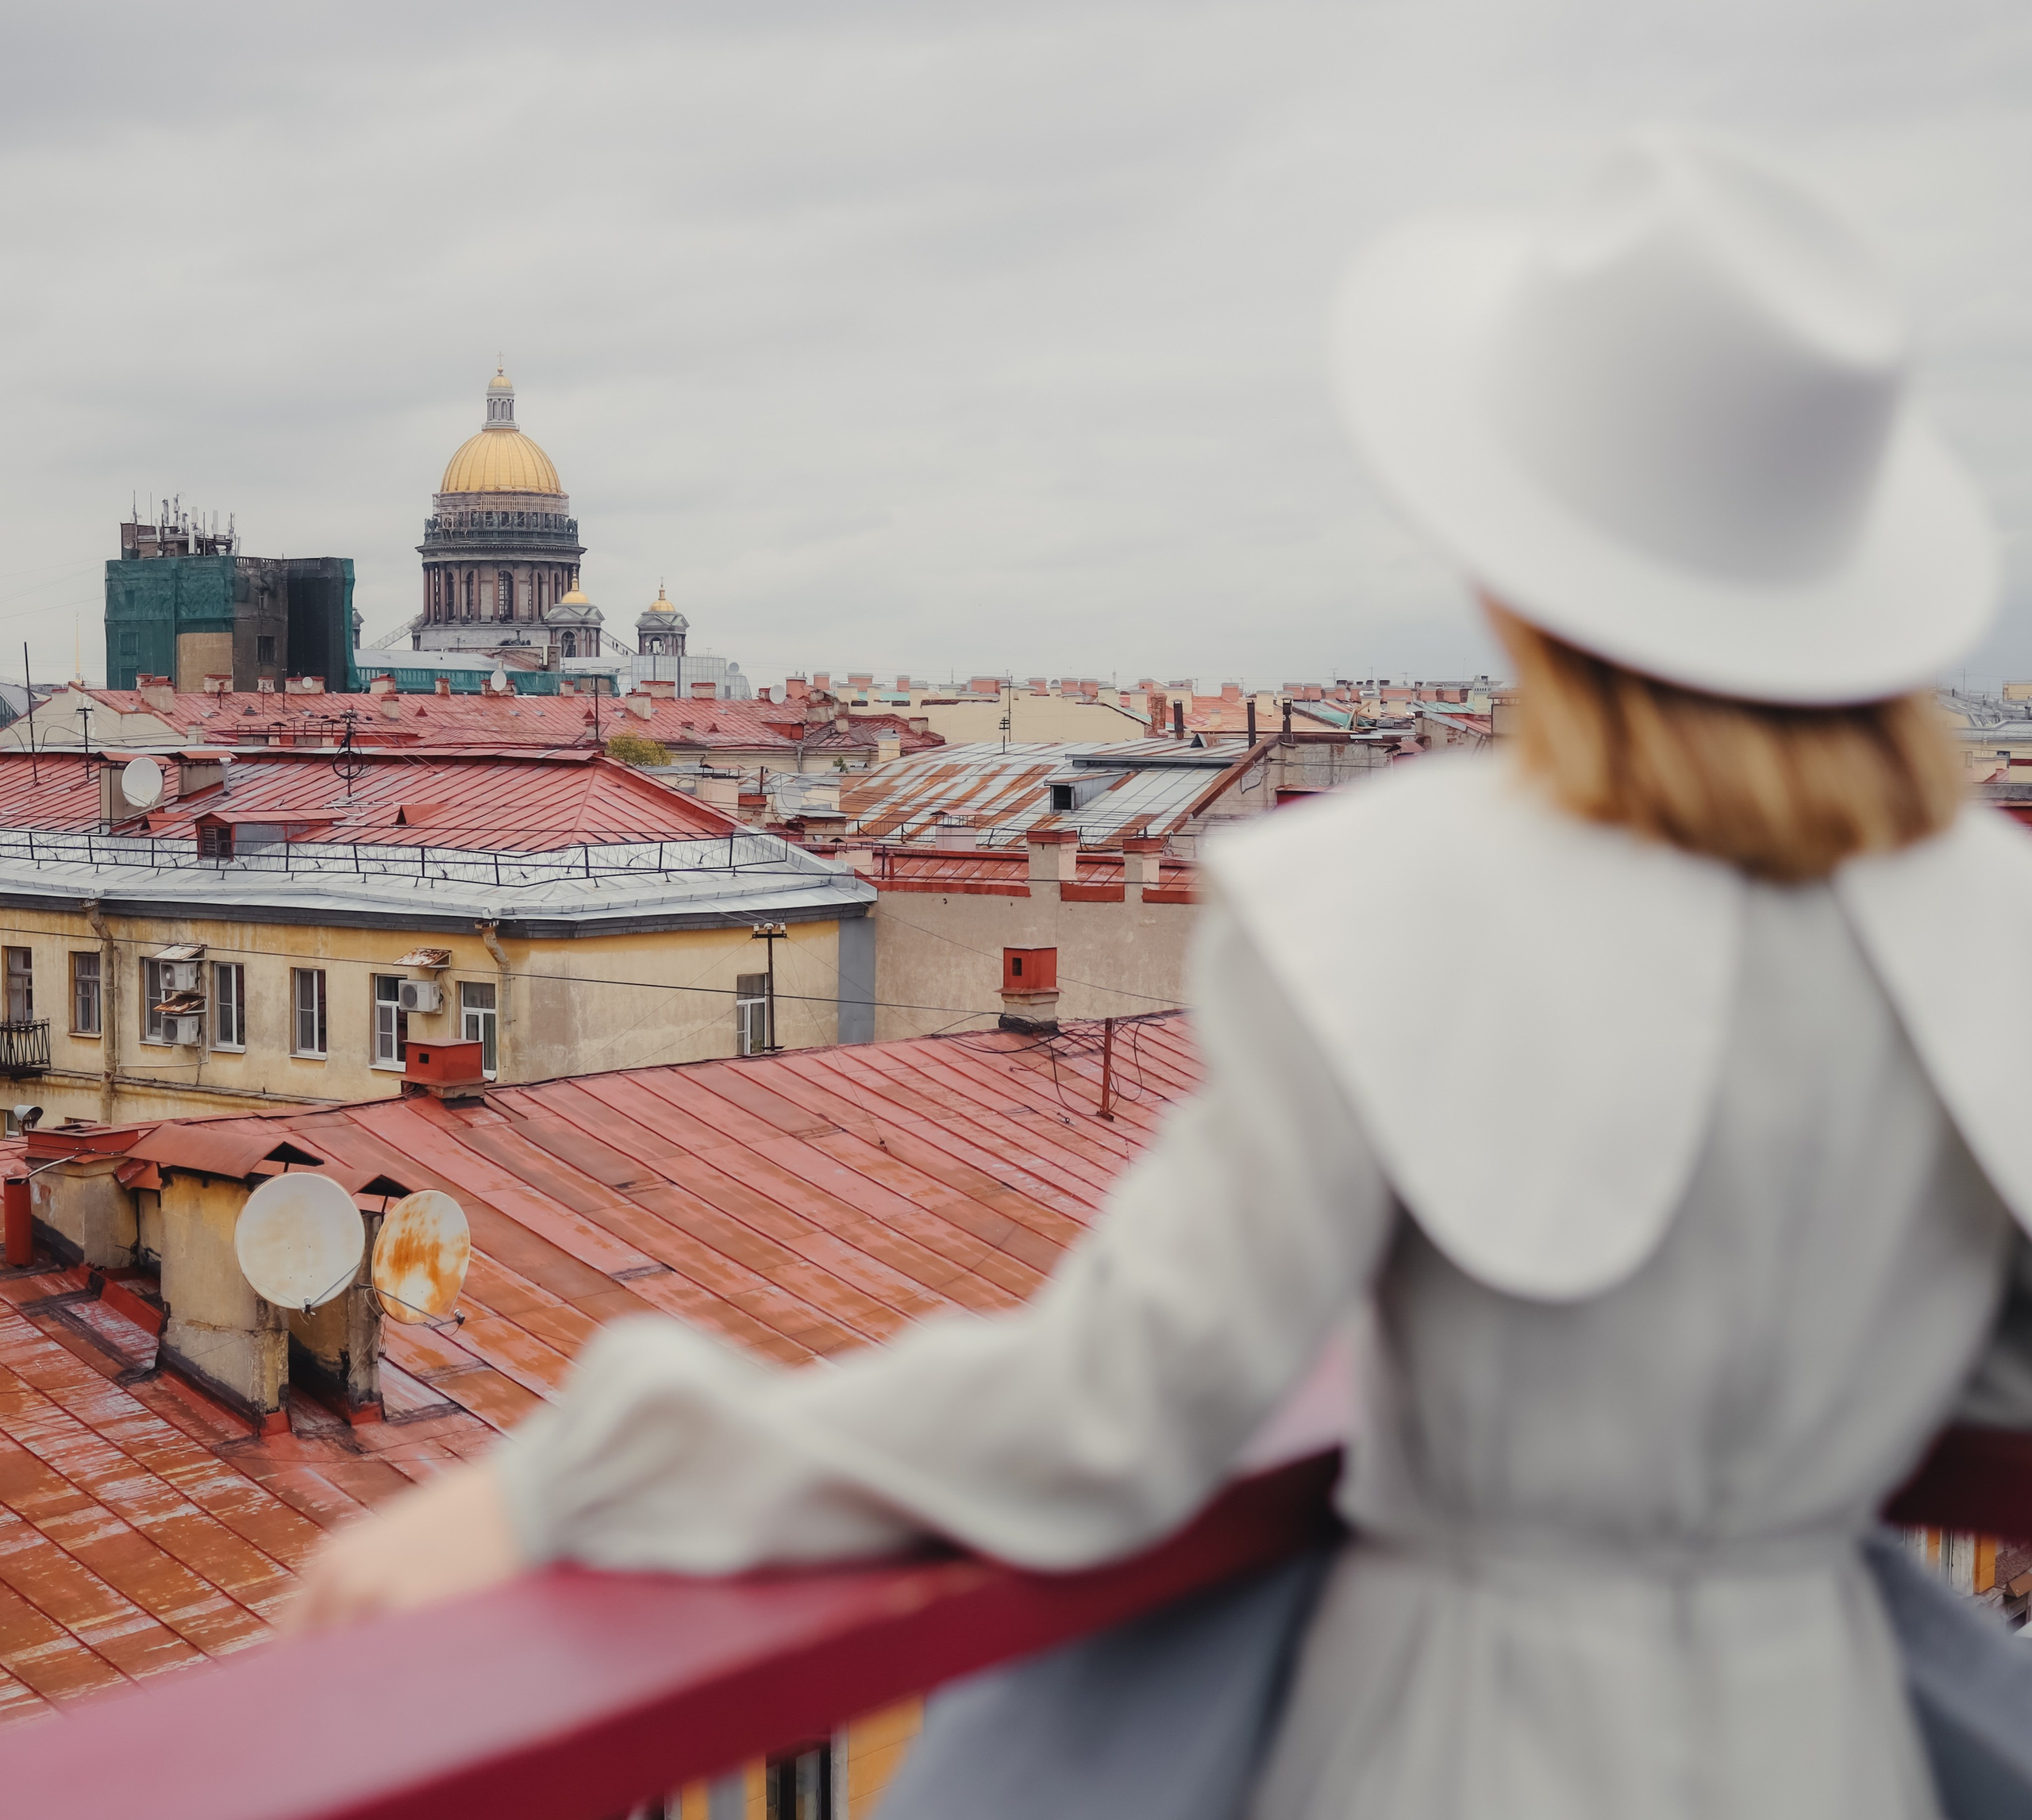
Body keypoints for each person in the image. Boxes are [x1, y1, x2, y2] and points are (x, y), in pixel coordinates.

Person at [289, 130, 2032, 1820]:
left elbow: (1105, 1417)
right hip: (1834, 1743)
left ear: (1514, 571)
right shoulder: (1983, 918)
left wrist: (598, 1464)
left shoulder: (1398, 907)